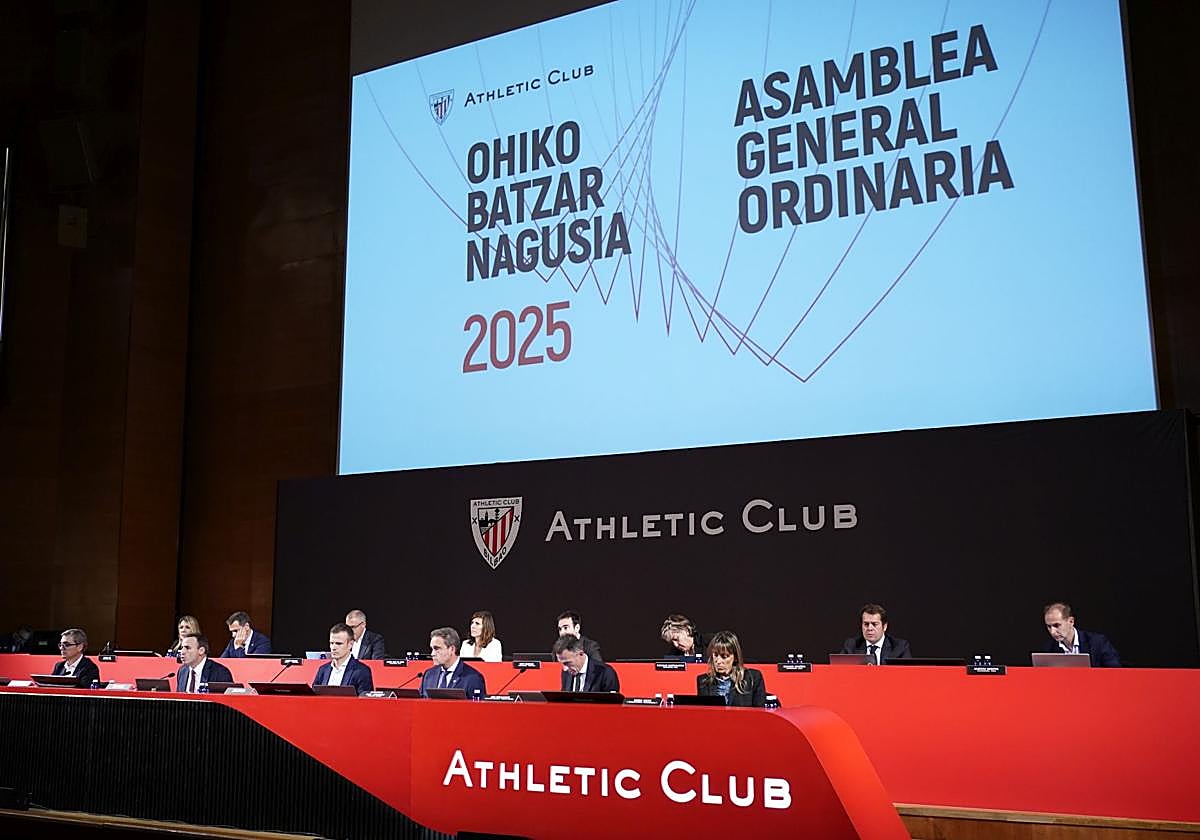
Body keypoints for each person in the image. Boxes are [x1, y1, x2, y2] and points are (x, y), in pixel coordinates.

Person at [696, 631, 767, 707]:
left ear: (735, 657)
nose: (718, 661)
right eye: (716, 655)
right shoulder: (703, 681)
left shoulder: (752, 678)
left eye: (724, 656)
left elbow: (760, 714)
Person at [1042, 601, 1121, 667]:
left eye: (1056, 625)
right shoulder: (1049, 648)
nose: (1052, 632)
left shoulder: (1097, 642)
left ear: (1071, 621)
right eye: (1049, 626)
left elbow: (1115, 672)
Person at [420, 627, 486, 698]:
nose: (432, 654)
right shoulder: (429, 675)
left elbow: (477, 708)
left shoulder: (473, 678)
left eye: (437, 649)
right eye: (432, 649)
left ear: (452, 649)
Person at [839, 603, 912, 664]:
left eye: (874, 624)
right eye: (866, 624)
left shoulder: (899, 647)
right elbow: (838, 671)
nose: (870, 628)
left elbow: (907, 674)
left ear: (884, 626)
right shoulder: (851, 645)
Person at [314, 623, 375, 694]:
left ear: (350, 644)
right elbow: (313, 697)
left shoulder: (362, 671)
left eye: (338, 643)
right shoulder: (323, 670)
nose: (333, 648)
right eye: (331, 643)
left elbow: (365, 702)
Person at [554, 634, 620, 693]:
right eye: (563, 664)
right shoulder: (566, 673)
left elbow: (612, 705)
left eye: (567, 663)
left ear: (581, 653)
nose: (565, 668)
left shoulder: (605, 673)